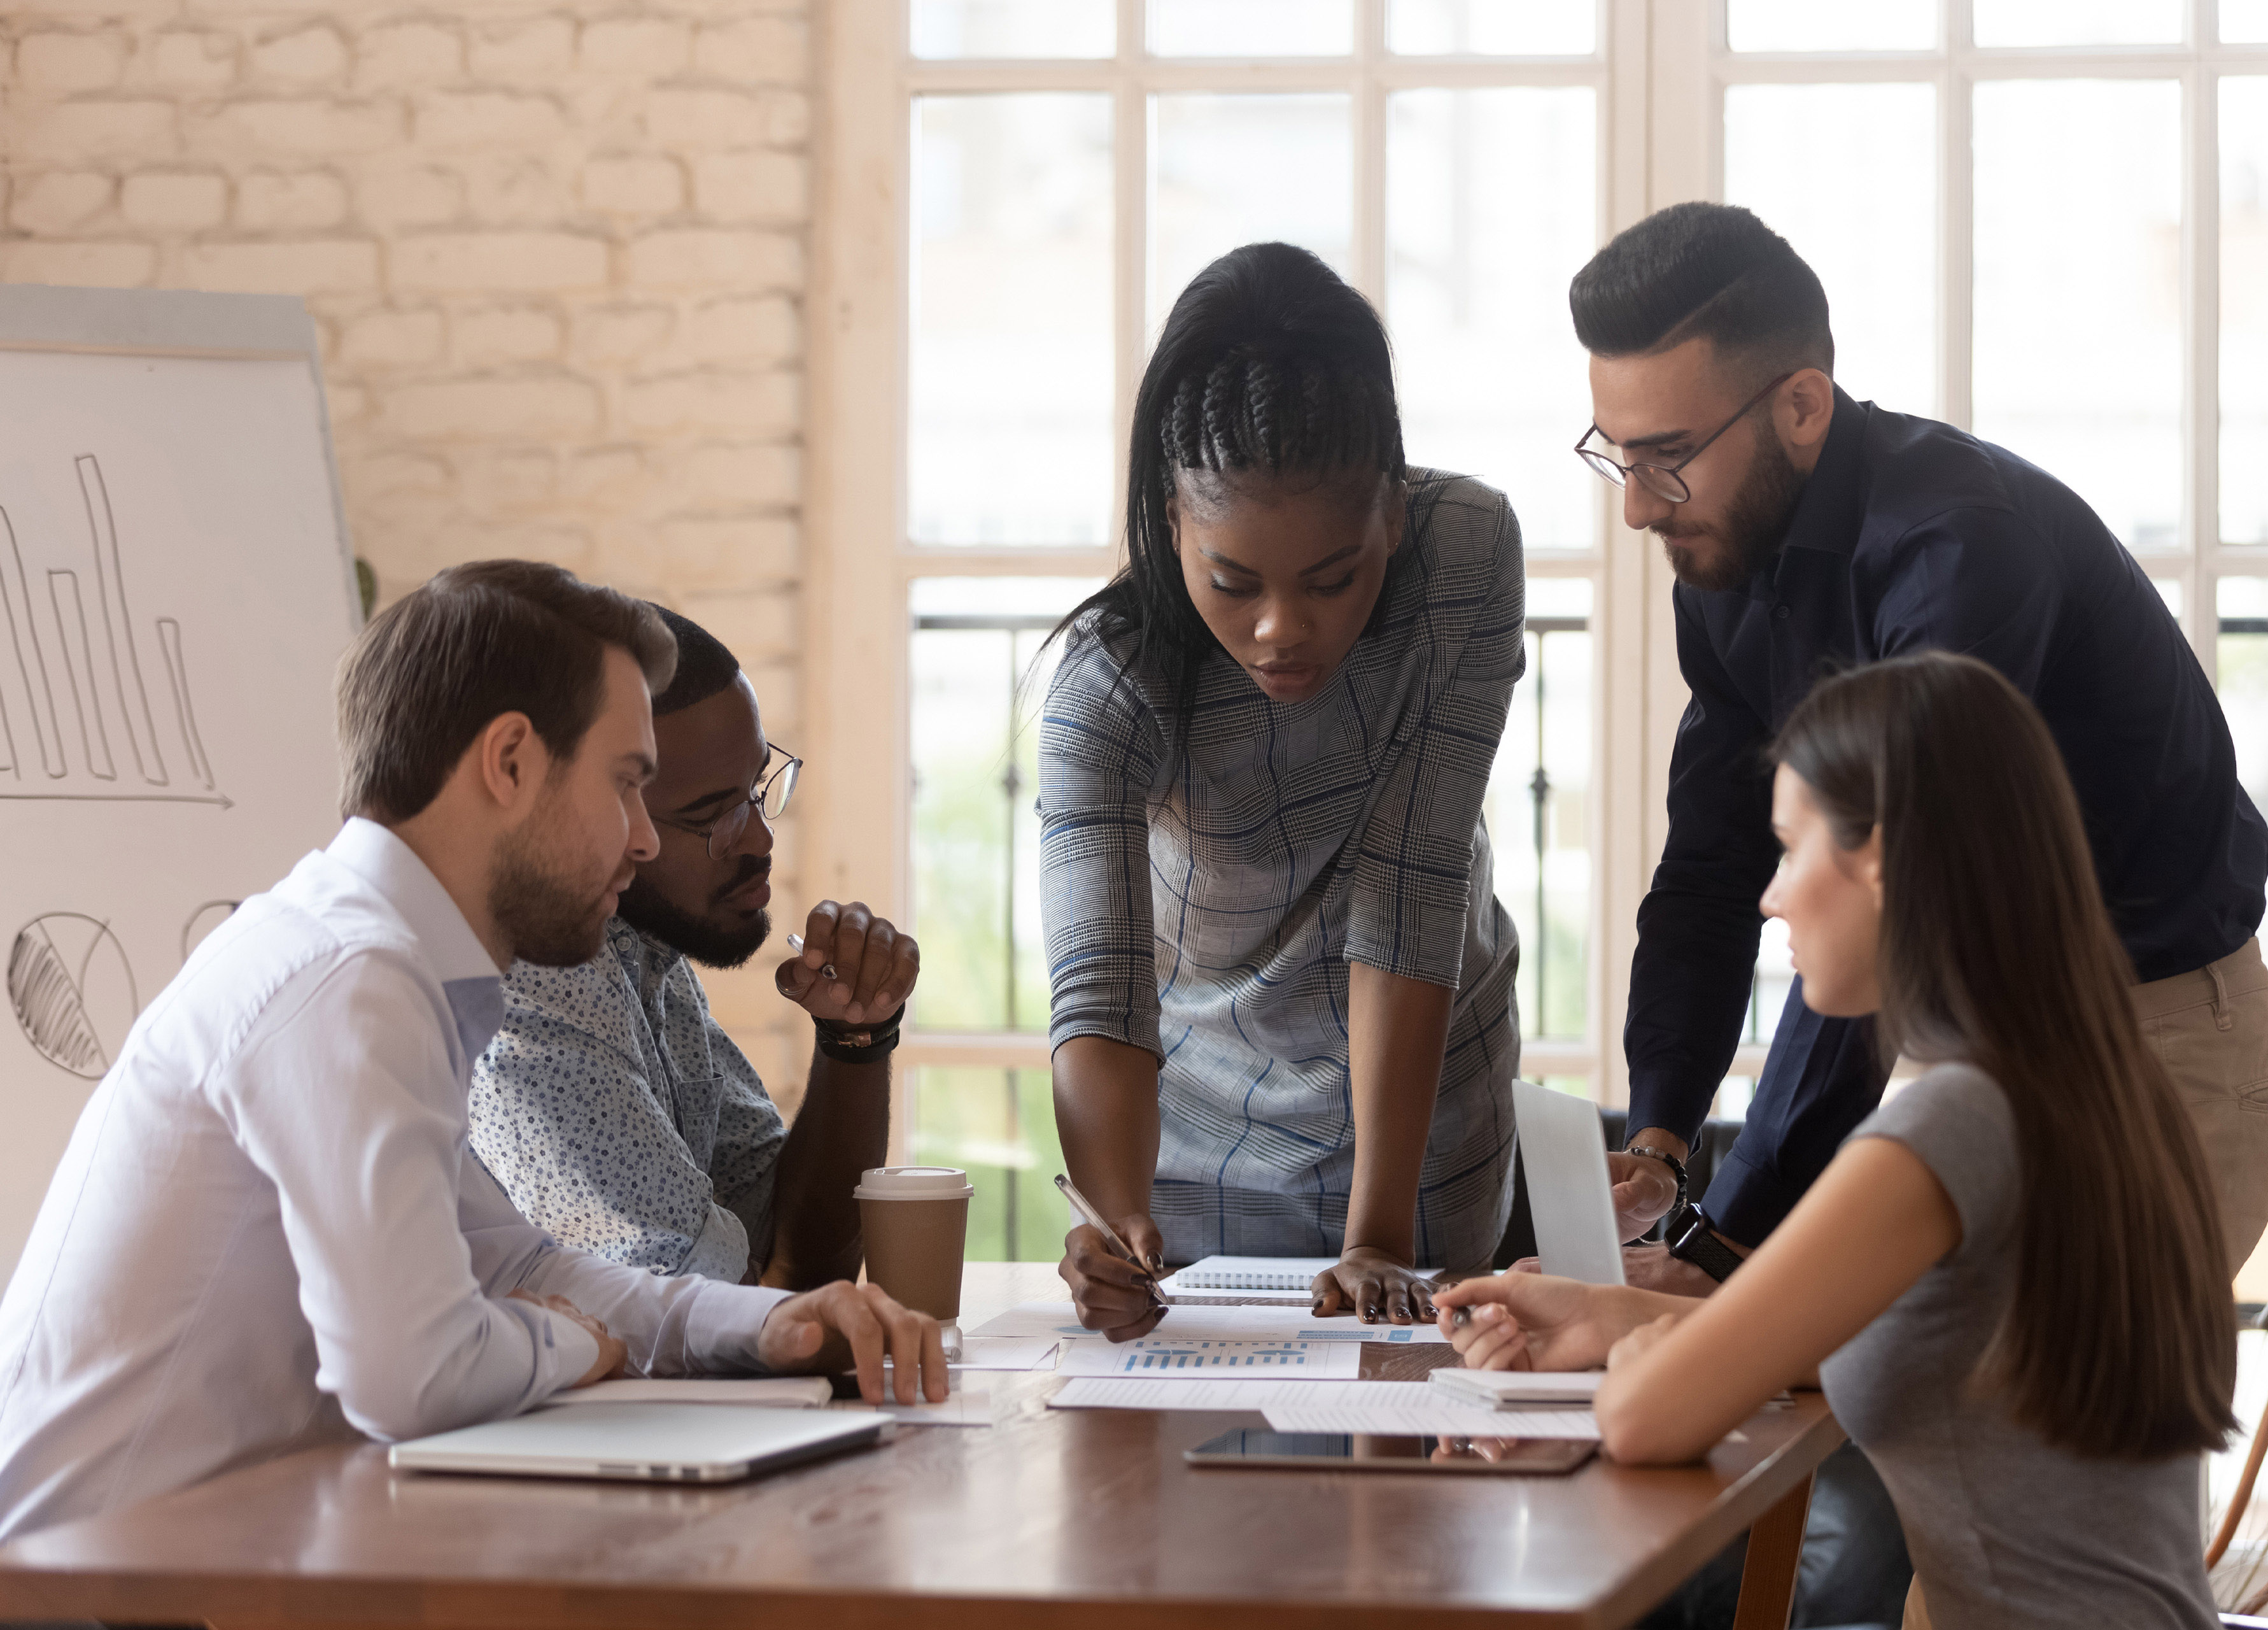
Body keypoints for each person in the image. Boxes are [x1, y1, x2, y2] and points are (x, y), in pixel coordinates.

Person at [0, 561, 945, 1541]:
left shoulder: (381, 960)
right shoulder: (347, 978)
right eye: (627, 786)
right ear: (510, 764)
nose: (644, 841)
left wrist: (766, 1325)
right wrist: (569, 1348)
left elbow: (511, 1261)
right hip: (84, 1585)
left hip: (193, 1560)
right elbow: (413, 1377)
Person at [1438, 651, 2237, 1630]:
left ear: (1884, 858)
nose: (1770, 896)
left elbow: (1644, 1422)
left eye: (1789, 847)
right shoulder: (2091, 1087)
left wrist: (1639, 1363)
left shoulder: (1950, 1123)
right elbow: (1910, 1351)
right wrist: (1609, 1316)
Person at [1578, 203, 2268, 1289]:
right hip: (1958, 1052)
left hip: (2155, 1054)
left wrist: (1721, 1247)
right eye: (1617, 457)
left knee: (2009, 1453)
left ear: (1803, 406)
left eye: (1668, 459)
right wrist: (1660, 1143)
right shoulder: (1725, 573)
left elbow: (1896, 899)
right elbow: (1714, 873)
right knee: (1829, 1423)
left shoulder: (1961, 550)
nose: (1637, 509)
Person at [1041, 241, 1525, 1335]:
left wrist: (1378, 1240)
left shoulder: (1464, 557)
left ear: (1392, 518)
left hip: (1425, 1119)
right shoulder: (1106, 688)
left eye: (1331, 579)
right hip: (1194, 1130)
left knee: (1413, 1456)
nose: (1281, 630)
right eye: (1232, 581)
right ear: (1173, 524)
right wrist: (1113, 1225)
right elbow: (1099, 995)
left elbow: (1411, 878)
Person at [469, 607, 917, 1291]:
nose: (761, 841)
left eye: (756, 789)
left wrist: (855, 1036)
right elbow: (734, 1314)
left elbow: (795, 1249)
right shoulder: (535, 985)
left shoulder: (650, 956)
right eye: (715, 815)